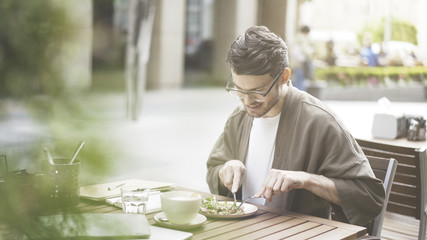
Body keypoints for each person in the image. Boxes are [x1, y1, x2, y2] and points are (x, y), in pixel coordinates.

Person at [206, 26, 385, 227]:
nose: (247, 101)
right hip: (242, 230)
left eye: (257, 91)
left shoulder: (319, 122)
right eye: (239, 89)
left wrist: (306, 180)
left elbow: (370, 197)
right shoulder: (240, 116)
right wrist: (225, 171)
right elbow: (215, 167)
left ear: (284, 77)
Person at [290, 25, 314, 91]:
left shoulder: (296, 37)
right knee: (301, 82)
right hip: (302, 63)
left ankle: (296, 96)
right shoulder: (303, 38)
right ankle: (300, 97)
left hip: (296, 63)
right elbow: (305, 50)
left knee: (297, 80)